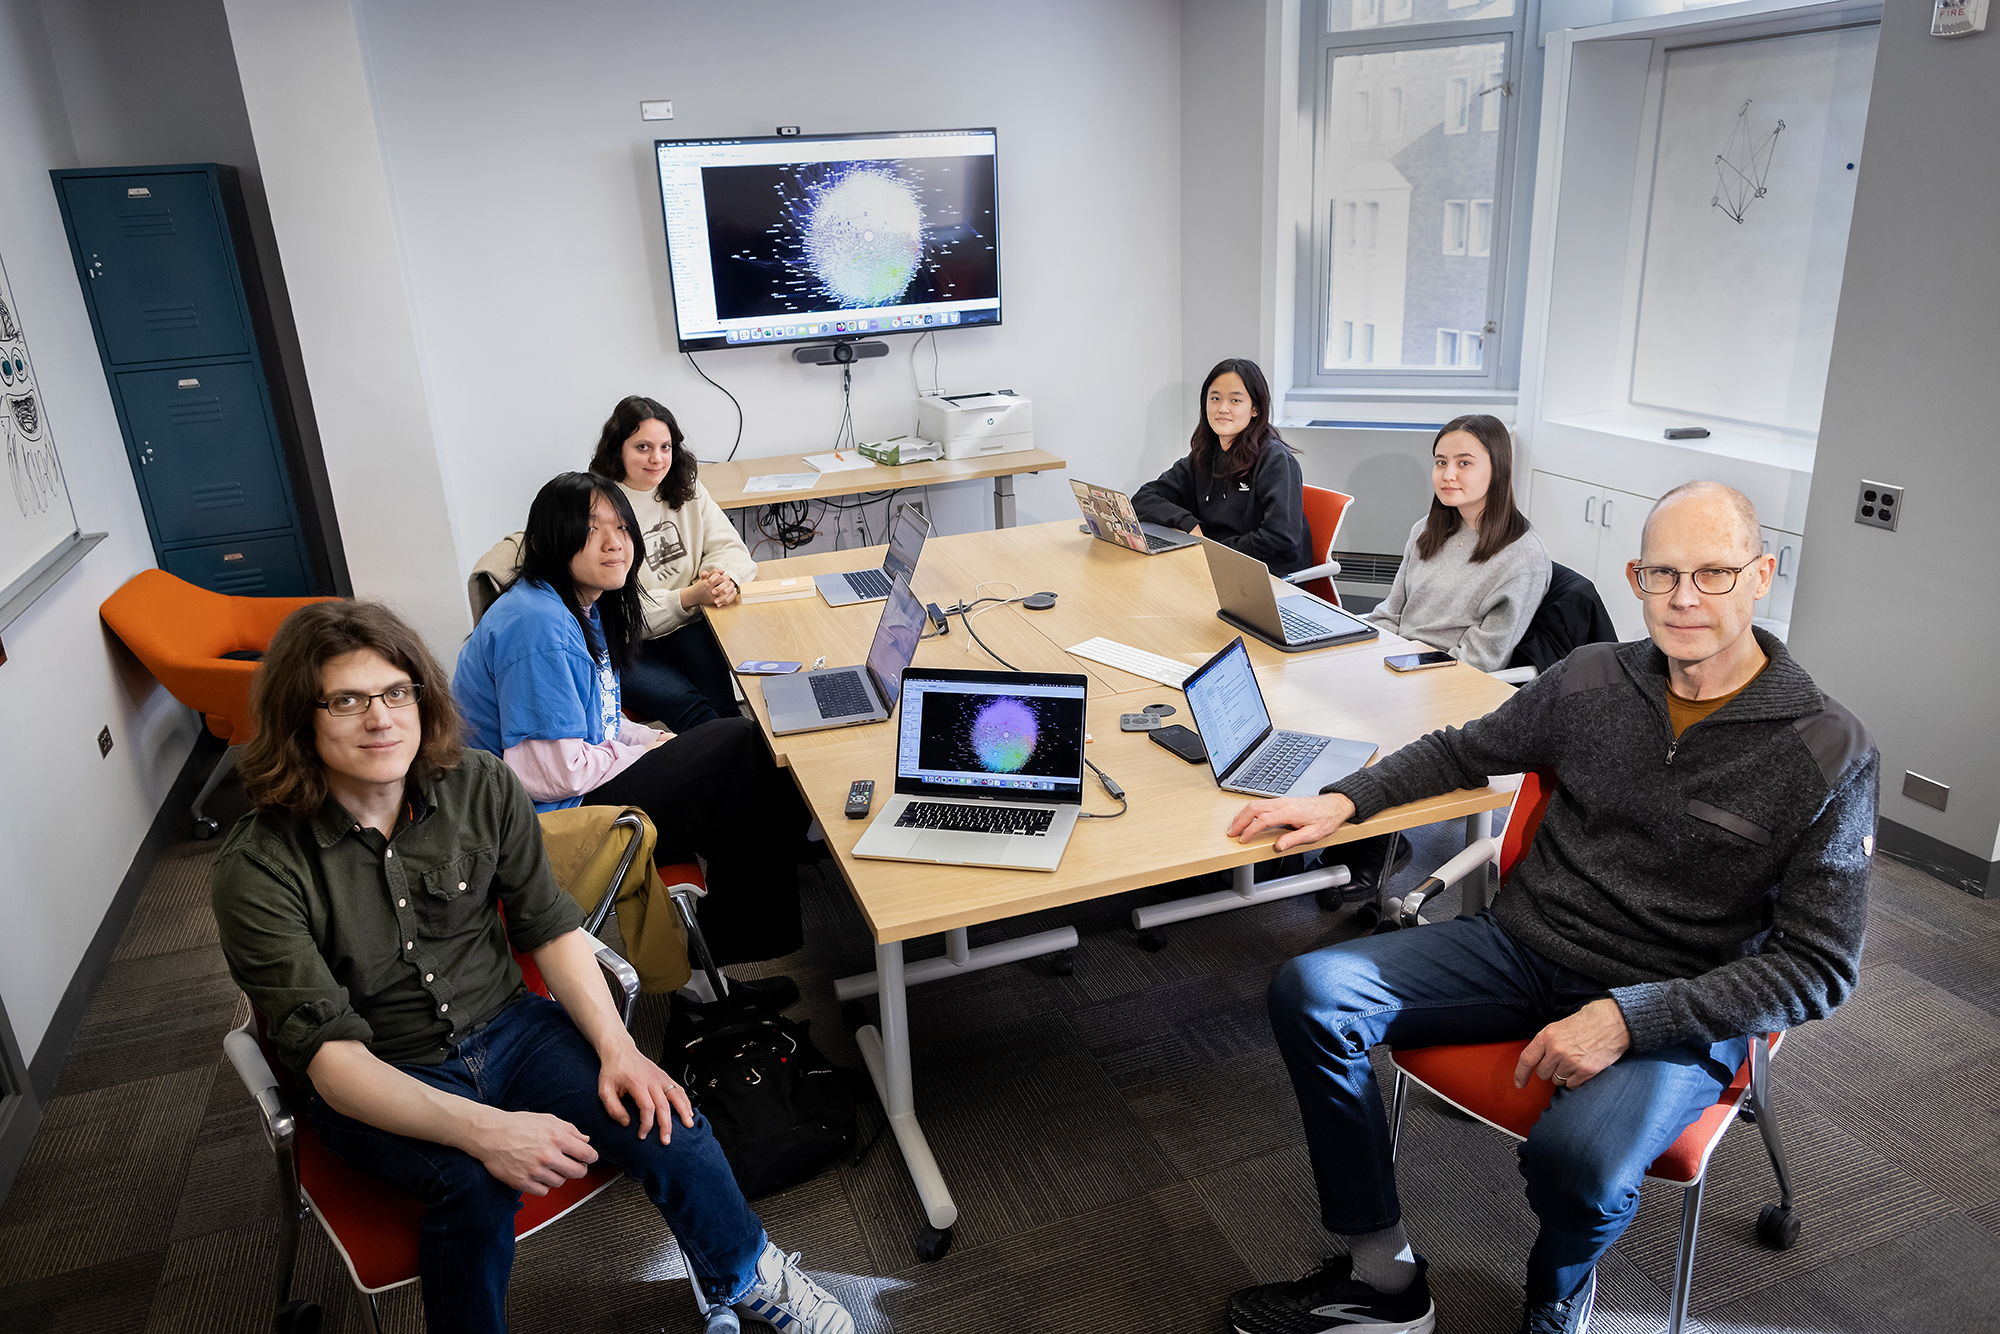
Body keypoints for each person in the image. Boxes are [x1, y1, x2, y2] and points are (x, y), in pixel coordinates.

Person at [1222, 481, 1877, 1334]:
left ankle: (1556, 1295)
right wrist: (1344, 802)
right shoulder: (1593, 678)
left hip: (1678, 1000)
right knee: (1312, 991)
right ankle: (1382, 1278)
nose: (1683, 599)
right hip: (1524, 947)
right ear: (1636, 578)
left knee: (1577, 1163)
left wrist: (1628, 1019)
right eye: (1663, 574)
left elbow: (1822, 970)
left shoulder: (1827, 748)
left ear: (1762, 575)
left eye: (1713, 573)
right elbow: (1464, 749)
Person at [210, 599, 854, 1334]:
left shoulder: (479, 786)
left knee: (665, 1113)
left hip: (511, 1028)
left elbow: (551, 931)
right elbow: (332, 1061)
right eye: (348, 701)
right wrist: (486, 1130)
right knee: (472, 1188)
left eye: (396, 692)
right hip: (383, 1068)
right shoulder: (258, 867)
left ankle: (743, 1275)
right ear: (302, 719)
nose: (381, 718)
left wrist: (621, 1049)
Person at [454, 472, 811, 1002]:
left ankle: (715, 960)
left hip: (564, 792)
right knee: (742, 746)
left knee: (737, 752)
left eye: (622, 526)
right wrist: (639, 753)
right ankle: (725, 951)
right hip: (541, 823)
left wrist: (655, 746)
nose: (614, 542)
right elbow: (545, 773)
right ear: (554, 537)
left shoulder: (575, 605)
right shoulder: (538, 626)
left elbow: (603, 716)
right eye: (593, 529)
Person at [588, 394, 758, 733]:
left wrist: (725, 579)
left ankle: (758, 779)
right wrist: (690, 596)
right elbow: (619, 617)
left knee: (726, 707)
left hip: (684, 625)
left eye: (665, 447)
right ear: (617, 449)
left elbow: (731, 549)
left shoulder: (686, 486)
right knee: (692, 709)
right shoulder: (599, 506)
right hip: (623, 643)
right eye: (643, 447)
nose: (657, 459)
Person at [1368, 413, 1551, 673]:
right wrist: (1367, 653)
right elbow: (1389, 615)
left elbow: (1481, 659)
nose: (1448, 475)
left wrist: (1399, 665)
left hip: (1442, 679)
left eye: (1464, 463)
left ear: (1498, 469)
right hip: (1396, 663)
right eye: (1441, 462)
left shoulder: (1523, 556)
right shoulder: (1426, 529)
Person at [1133, 358, 1311, 576]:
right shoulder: (1203, 456)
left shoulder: (1275, 460)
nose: (1222, 408)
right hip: (1212, 565)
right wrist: (1188, 523)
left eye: (1235, 401)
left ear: (1255, 408)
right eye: (1215, 398)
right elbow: (1144, 498)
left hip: (1263, 573)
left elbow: (1280, 536)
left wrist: (1211, 551)